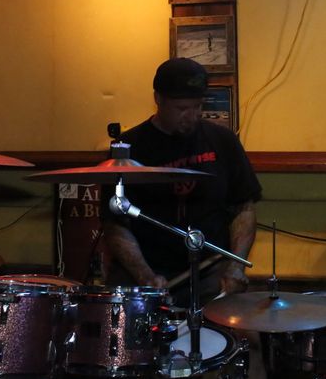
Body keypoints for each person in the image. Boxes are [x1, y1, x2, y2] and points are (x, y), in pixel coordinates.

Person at [102, 57, 261, 301]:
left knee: (237, 320)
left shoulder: (223, 141)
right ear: (158, 99)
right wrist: (145, 276)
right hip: (146, 269)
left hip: (209, 268)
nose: (192, 116)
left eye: (198, 106)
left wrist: (235, 266)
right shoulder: (129, 149)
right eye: (182, 109)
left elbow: (244, 208)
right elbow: (115, 225)